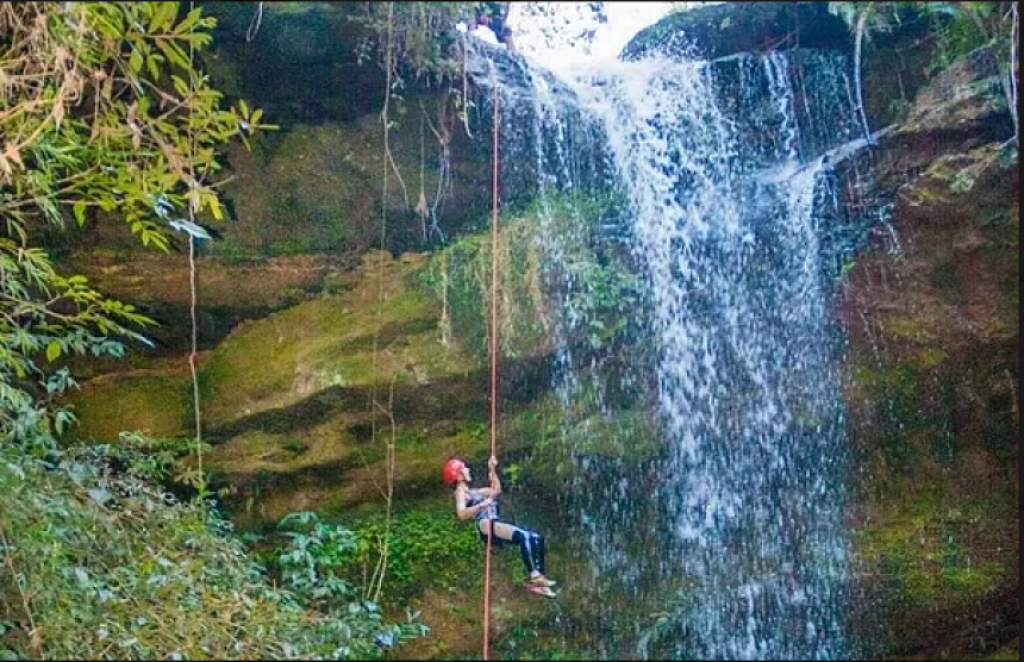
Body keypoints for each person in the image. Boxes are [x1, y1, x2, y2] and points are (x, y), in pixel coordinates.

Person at [443, 455, 556, 597]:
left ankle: (539, 580)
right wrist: (482, 505)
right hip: (485, 524)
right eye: (464, 468)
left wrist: (492, 470)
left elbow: (496, 490)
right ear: (458, 476)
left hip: (491, 523)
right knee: (524, 536)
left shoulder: (475, 492)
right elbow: (462, 513)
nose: (468, 469)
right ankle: (535, 576)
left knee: (536, 538)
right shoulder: (461, 493)